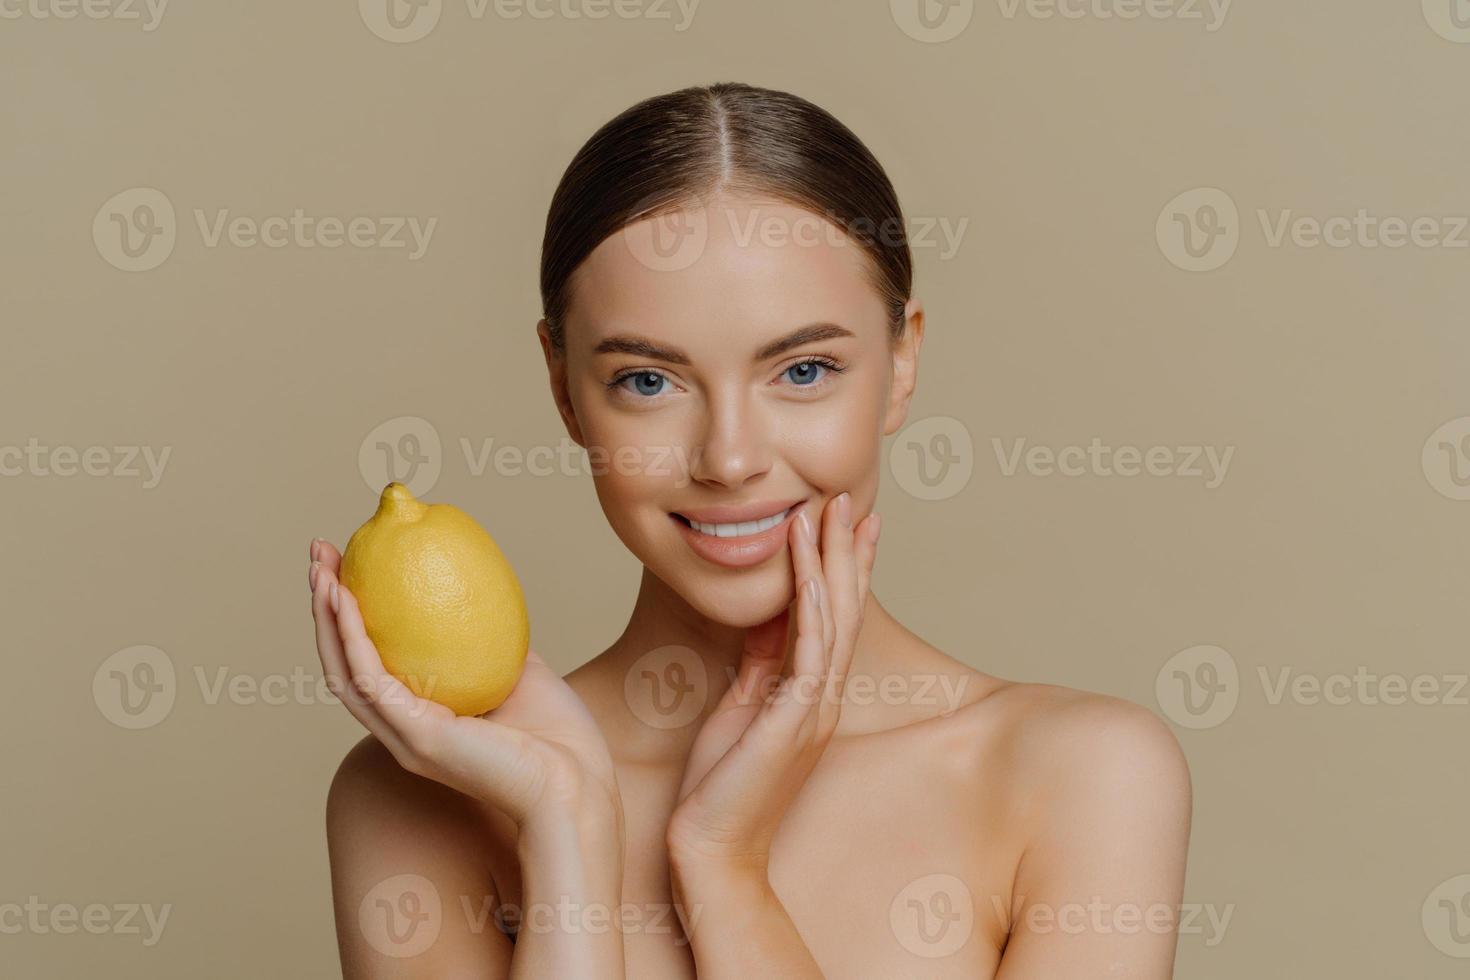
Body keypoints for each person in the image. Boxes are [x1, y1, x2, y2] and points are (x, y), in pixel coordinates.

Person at [308, 81, 1192, 979]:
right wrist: (563, 826)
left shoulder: (1081, 777)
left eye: (804, 370)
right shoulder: (424, 796)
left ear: (901, 364)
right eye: (648, 381)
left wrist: (722, 867)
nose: (729, 460)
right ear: (561, 386)